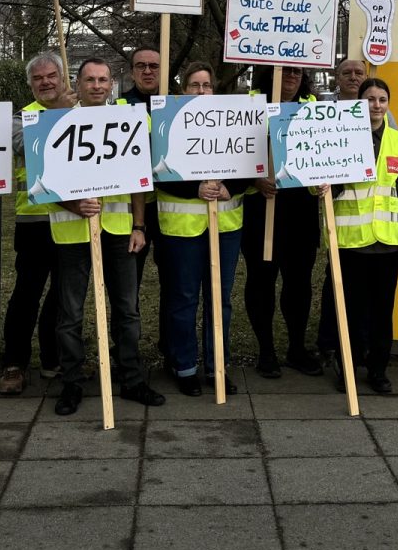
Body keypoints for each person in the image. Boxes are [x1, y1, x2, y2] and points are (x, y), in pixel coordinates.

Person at [51, 58, 166, 416]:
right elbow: (44, 176)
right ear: (78, 83)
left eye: (103, 79)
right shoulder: (59, 121)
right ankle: (71, 382)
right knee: (69, 313)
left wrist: (139, 225)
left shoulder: (127, 118)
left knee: (127, 310)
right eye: (90, 80)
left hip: (118, 231)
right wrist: (72, 204)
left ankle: (131, 378)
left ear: (112, 82)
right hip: (72, 232)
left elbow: (138, 179)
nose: (97, 86)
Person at [317, 77, 398, 394]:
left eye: (382, 100)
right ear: (359, 103)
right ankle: (348, 365)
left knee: (381, 311)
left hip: (387, 243)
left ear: (388, 104)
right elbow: (321, 181)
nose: (376, 106)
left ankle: (378, 369)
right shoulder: (341, 137)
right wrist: (319, 186)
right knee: (349, 309)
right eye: (370, 99)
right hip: (350, 242)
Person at [155, 61, 247, 396]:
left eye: (206, 85)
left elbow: (249, 162)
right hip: (182, 229)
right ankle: (185, 367)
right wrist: (195, 189)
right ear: (183, 90)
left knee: (219, 300)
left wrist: (230, 188)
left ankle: (216, 366)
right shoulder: (168, 122)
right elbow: (158, 172)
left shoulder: (231, 120)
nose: (201, 91)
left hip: (225, 226)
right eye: (194, 85)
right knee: (183, 299)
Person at [0, 51, 74, 395]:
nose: (45, 82)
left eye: (50, 76)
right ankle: (14, 363)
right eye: (38, 78)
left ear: (62, 77)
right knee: (26, 294)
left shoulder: (82, 113)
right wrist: (60, 116)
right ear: (30, 84)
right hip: (35, 221)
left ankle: (52, 359)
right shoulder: (21, 118)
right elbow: (25, 145)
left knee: (63, 296)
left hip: (72, 217)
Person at [240, 65, 323, 378]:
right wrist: (255, 178)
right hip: (263, 207)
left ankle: (297, 348)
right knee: (261, 280)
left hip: (300, 210)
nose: (292, 76)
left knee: (299, 283)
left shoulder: (313, 107)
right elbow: (231, 154)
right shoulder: (249, 107)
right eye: (285, 70)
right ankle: (266, 351)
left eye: (298, 71)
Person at [315, 57, 369, 362]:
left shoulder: (377, 107)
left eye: (358, 73)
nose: (353, 77)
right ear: (337, 77)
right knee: (334, 278)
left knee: (362, 286)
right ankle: (329, 341)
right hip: (339, 210)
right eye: (346, 73)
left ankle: (358, 344)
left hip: (371, 214)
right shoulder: (325, 112)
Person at [120, 47, 168, 367]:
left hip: (169, 207)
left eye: (154, 66)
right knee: (128, 284)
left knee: (173, 281)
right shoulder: (120, 105)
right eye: (141, 66)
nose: (148, 71)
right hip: (131, 210)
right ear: (132, 71)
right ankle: (127, 350)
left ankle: (170, 346)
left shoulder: (177, 105)